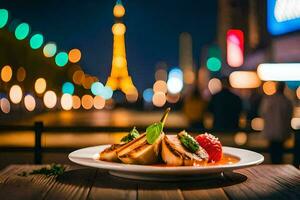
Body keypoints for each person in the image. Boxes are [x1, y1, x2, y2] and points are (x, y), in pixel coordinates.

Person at [259, 82, 293, 164]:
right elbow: (290, 115)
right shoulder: (287, 101)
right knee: (280, 151)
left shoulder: (269, 100)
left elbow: (261, 113)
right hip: (282, 131)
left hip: (271, 130)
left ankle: (274, 165)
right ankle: (278, 165)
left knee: (273, 150)